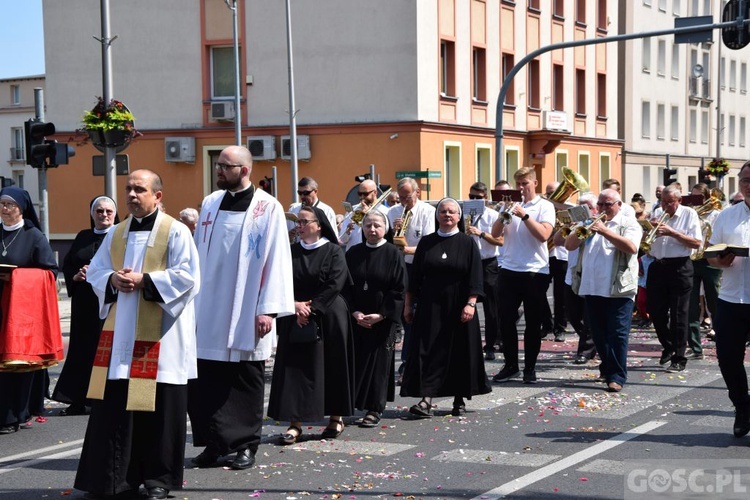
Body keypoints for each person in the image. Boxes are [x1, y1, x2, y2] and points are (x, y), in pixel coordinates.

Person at [74, 170, 200, 500]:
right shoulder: (116, 233)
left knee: (158, 411)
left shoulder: (175, 232)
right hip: (121, 338)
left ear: (157, 196)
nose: (131, 194)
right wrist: (111, 280)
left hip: (161, 337)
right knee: (116, 410)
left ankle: (158, 480)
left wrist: (146, 280)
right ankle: (115, 479)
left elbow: (188, 277)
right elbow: (97, 271)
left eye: (139, 189)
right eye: (128, 189)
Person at [189, 145, 294, 471]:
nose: (218, 171)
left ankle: (245, 444)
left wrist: (267, 309)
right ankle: (214, 444)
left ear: (244, 170)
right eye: (218, 165)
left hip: (246, 307)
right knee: (206, 380)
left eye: (225, 166)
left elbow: (277, 259)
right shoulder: (210, 203)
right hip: (208, 306)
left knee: (244, 380)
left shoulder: (267, 207)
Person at [267, 206, 354, 444]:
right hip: (293, 312)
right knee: (295, 369)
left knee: (332, 366)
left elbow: (336, 282)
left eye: (304, 222)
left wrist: (311, 308)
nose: (300, 226)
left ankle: (336, 417)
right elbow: (280, 280)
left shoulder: (334, 251)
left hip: (328, 315)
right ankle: (295, 424)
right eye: (298, 222)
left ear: (318, 224)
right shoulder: (290, 251)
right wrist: (295, 305)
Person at [401, 198, 491, 417]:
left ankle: (459, 398)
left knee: (459, 351)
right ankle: (426, 400)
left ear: (459, 217)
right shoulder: (426, 243)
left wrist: (471, 303)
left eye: (452, 212)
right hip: (430, 307)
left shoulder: (467, 242)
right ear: (437, 215)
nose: (447, 215)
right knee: (428, 351)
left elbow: (475, 276)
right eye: (443, 211)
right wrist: (408, 306)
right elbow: (415, 278)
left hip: (459, 307)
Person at [564, 189, 642, 392]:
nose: (604, 208)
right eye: (600, 204)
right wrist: (582, 229)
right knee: (599, 334)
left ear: (619, 204)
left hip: (618, 289)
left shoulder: (628, 224)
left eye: (608, 204)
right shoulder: (589, 223)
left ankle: (617, 375)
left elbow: (631, 248)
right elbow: (569, 245)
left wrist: (605, 230)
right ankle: (607, 368)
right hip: (592, 286)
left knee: (617, 334)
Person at [0, 187, 60, 435]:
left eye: (10, 205)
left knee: (17, 366)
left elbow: (50, 273)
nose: (5, 209)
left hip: (22, 312)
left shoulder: (34, 236)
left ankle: (15, 415)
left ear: (21, 208)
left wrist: (15, 277)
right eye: (2, 203)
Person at [52, 196, 119, 416]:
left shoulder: (120, 236)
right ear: (92, 214)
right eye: (99, 211)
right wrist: (76, 275)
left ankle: (103, 399)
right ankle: (77, 399)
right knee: (81, 350)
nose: (104, 215)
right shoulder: (83, 236)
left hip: (109, 302)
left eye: (109, 211)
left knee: (105, 350)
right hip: (84, 303)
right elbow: (68, 264)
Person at [490, 167, 555, 384]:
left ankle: (530, 367)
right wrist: (504, 213)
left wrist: (525, 215)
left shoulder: (545, 206)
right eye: (518, 184)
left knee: (533, 322)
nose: (521, 188)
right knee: (506, 320)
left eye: (525, 183)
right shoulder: (508, 205)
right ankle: (511, 366)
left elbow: (544, 235)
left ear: (534, 183)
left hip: (535, 270)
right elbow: (495, 234)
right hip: (509, 268)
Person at [345, 211, 406, 427]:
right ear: (362, 229)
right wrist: (354, 312)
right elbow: (345, 286)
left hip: (383, 319)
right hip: (357, 318)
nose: (372, 229)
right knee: (357, 360)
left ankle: (375, 408)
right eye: (368, 225)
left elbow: (399, 289)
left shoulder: (393, 254)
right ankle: (355, 402)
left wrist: (381, 315)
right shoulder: (353, 253)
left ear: (386, 228)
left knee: (380, 364)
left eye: (377, 225)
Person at [707, 160, 750, 438]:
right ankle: (742, 408)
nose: (748, 184)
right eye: (745, 179)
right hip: (732, 298)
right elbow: (711, 256)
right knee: (727, 358)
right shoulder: (726, 215)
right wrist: (720, 260)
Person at [646, 184, 702, 373]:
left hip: (680, 267)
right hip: (657, 266)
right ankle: (668, 346)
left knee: (679, 314)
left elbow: (695, 242)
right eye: (663, 201)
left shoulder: (689, 214)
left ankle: (679, 357)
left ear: (679, 200)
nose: (665, 206)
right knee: (655, 311)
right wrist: (647, 231)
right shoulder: (656, 211)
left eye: (670, 202)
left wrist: (672, 232)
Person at [388, 177, 435, 384]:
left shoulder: (427, 212)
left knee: (412, 318)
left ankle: (408, 362)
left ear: (417, 193)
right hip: (397, 267)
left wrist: (406, 249)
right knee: (396, 316)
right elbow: (384, 241)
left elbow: (429, 243)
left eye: (408, 196)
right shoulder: (393, 212)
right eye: (401, 197)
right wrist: (393, 231)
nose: (405, 201)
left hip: (417, 266)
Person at [555, 193, 598, 364]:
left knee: (589, 315)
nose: (581, 210)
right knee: (572, 314)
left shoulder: (598, 225)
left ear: (594, 209)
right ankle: (593, 339)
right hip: (572, 274)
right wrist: (566, 226)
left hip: (589, 274)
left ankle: (585, 350)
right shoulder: (575, 224)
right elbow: (557, 241)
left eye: (586, 206)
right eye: (579, 206)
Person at [464, 182, 503, 360]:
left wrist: (480, 233)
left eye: (478, 198)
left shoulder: (494, 215)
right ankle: (468, 343)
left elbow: (500, 240)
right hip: (469, 262)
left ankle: (491, 345)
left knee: (491, 307)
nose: (474, 200)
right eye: (471, 197)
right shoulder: (464, 213)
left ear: (485, 198)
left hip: (488, 263)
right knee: (466, 303)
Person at [686, 183, 722, 360]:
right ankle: (695, 347)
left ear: (707, 197)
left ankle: (723, 341)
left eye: (698, 197)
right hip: (692, 260)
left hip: (710, 261)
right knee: (691, 305)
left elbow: (716, 235)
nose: (695, 200)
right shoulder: (691, 213)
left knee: (715, 302)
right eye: (692, 196)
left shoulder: (716, 214)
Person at [542, 181, 569, 342]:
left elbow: (576, 213)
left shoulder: (569, 206)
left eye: (554, 192)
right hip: (546, 254)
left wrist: (554, 204)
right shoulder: (543, 207)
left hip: (563, 255)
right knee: (538, 291)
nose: (551, 195)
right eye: (548, 193)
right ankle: (546, 324)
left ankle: (560, 328)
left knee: (561, 295)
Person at [339, 179, 389, 251]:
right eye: (359, 194)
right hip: (354, 254)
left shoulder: (384, 211)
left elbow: (386, 233)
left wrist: (368, 213)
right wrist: (348, 231)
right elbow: (342, 239)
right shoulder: (353, 210)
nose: (362, 197)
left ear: (375, 192)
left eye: (365, 194)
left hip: (376, 251)